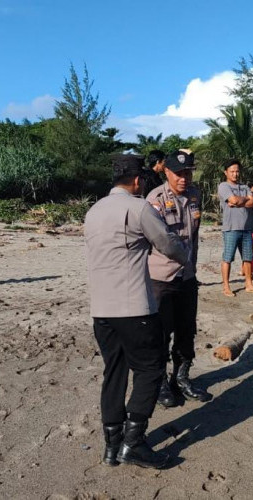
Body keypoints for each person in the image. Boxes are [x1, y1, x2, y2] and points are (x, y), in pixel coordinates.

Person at [84, 154, 189, 469]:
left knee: (113, 372)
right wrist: (184, 253)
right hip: (134, 307)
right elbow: (167, 243)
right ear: (137, 180)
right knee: (150, 370)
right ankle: (134, 443)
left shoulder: (93, 210)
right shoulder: (139, 207)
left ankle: (111, 446)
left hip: (101, 309)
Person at [147, 150, 209, 408]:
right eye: (179, 173)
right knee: (161, 333)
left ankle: (181, 378)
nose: (184, 178)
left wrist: (192, 267)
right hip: (162, 278)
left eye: (188, 172)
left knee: (186, 330)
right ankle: (160, 382)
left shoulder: (195, 196)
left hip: (187, 276)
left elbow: (193, 238)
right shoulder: (155, 199)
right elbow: (156, 240)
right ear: (167, 172)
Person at [218, 159, 253, 296]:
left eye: (237, 171)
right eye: (232, 171)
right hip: (231, 228)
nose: (235, 174)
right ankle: (226, 286)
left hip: (246, 227)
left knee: (248, 257)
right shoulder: (223, 186)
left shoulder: (244, 186)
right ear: (226, 172)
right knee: (228, 257)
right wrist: (242, 200)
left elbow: (252, 202)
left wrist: (238, 202)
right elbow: (233, 200)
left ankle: (249, 283)